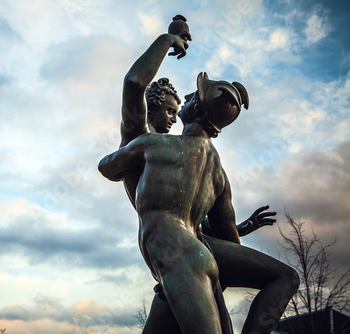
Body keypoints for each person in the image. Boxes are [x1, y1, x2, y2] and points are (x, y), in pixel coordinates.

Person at [100, 72, 299, 333]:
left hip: (179, 261)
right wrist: (241, 230)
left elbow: (106, 165)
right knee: (287, 276)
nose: (186, 98)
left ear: (198, 110)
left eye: (192, 97)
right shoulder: (218, 173)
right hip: (191, 260)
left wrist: (128, 157)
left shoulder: (153, 145)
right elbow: (227, 242)